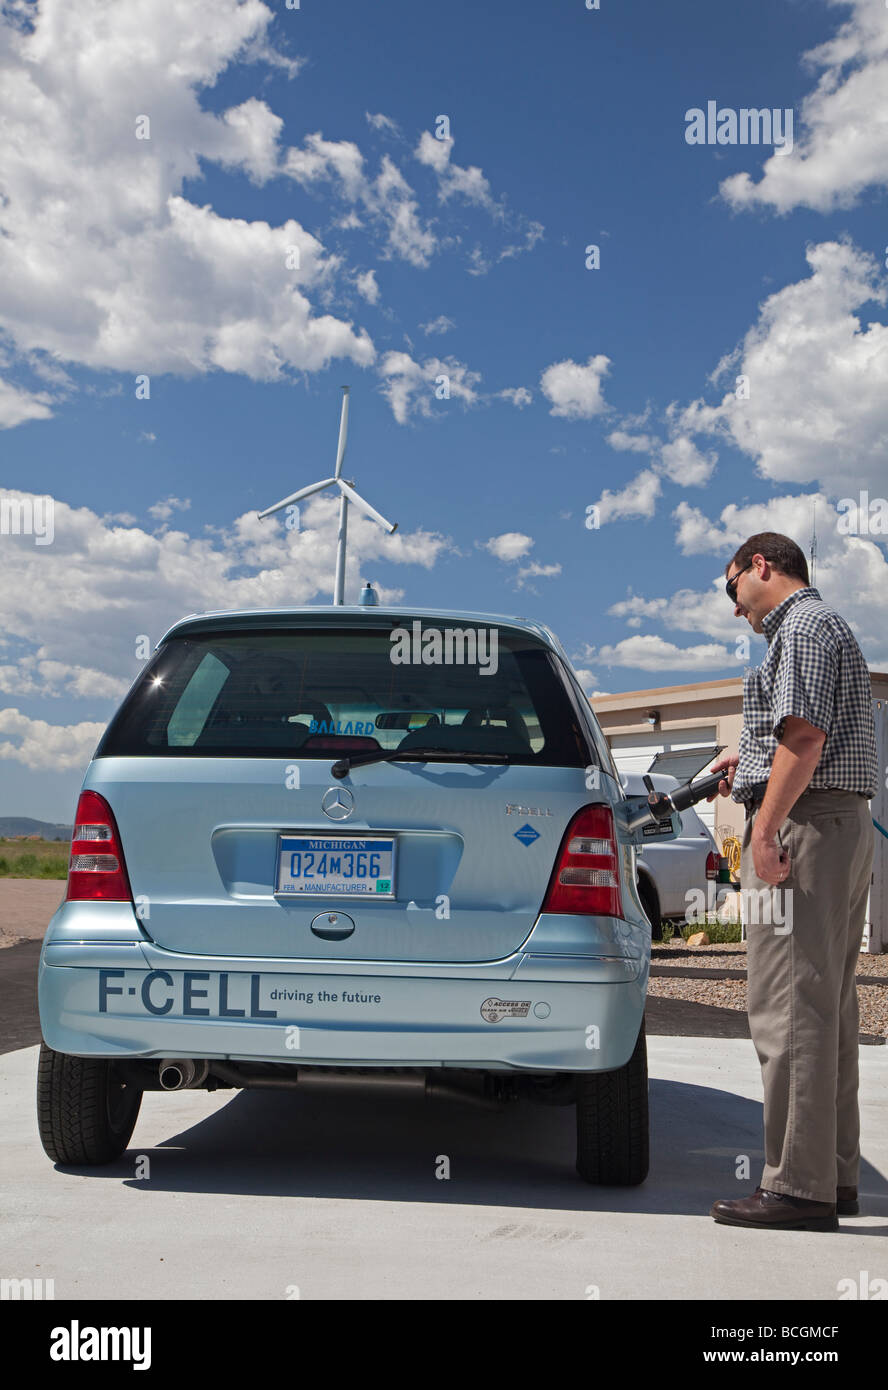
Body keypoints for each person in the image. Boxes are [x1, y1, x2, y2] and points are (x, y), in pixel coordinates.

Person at [707, 532, 877, 1231]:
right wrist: (745, 755)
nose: (734, 608)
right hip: (839, 824)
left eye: (731, 590)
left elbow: (804, 738)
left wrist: (765, 828)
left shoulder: (800, 626)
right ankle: (831, 1177)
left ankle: (796, 1189)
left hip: (807, 828)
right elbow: (797, 734)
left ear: (760, 566)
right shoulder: (823, 625)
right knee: (826, 1007)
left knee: (787, 1007)